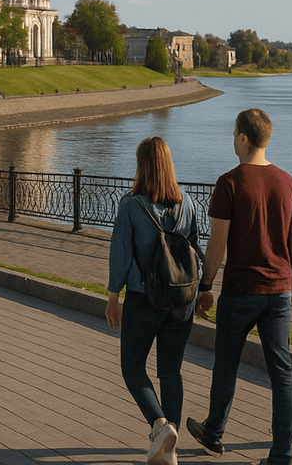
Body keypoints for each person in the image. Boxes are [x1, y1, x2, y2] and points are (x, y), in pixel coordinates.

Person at [188, 109, 292, 465]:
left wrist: (205, 285)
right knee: (281, 370)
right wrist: (291, 284)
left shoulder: (230, 182)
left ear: (242, 138)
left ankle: (215, 431)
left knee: (226, 363)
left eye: (233, 132)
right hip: (279, 290)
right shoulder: (289, 183)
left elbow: (217, 245)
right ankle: (282, 452)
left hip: (241, 290)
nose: (232, 138)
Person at [106, 137, 203, 465]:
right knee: (171, 371)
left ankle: (160, 425)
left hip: (143, 298)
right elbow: (195, 251)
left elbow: (120, 255)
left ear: (142, 165)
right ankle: (169, 450)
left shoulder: (132, 205)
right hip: (181, 301)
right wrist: (200, 291)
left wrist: (112, 296)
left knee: (132, 367)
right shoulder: (187, 202)